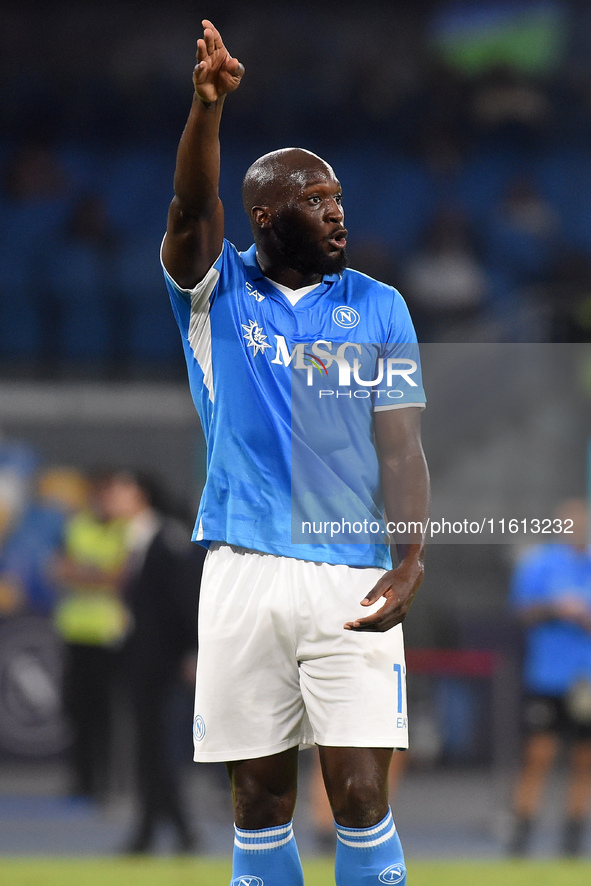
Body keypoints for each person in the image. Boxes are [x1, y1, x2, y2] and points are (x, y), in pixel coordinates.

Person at [161, 21, 429, 886]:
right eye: (315, 200)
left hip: (350, 572)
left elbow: (402, 446)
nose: (336, 210)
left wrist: (412, 558)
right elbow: (188, 210)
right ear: (268, 215)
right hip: (242, 568)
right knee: (259, 802)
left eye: (339, 196)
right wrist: (207, 111)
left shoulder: (379, 306)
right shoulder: (217, 293)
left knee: (358, 795)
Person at [103, 469, 205, 854]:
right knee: (149, 747)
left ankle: (167, 831)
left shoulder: (167, 540)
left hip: (162, 662)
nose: (111, 496)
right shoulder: (136, 540)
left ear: (141, 495)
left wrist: (193, 652)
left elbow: (185, 599)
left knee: (158, 747)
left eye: (120, 488)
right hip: (139, 659)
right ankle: (165, 831)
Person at [508, 498, 591, 857]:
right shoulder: (540, 563)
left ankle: (573, 838)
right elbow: (522, 612)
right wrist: (557, 608)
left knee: (584, 759)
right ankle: (522, 835)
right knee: (538, 755)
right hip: (546, 676)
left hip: (585, 677)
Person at [51, 468, 130, 800]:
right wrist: (97, 575)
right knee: (75, 709)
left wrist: (83, 574)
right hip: (75, 632)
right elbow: (58, 569)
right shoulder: (76, 525)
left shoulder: (124, 530)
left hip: (108, 635)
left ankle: (104, 780)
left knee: (106, 713)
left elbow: (120, 578)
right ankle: (81, 778)